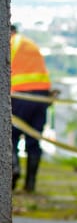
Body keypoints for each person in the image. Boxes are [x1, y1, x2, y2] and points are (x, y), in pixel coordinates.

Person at [10, 23, 53, 193]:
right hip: (41, 96)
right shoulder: (30, 44)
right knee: (34, 139)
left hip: (20, 96)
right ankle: (30, 185)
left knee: (9, 136)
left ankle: (13, 170)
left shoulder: (10, 43)